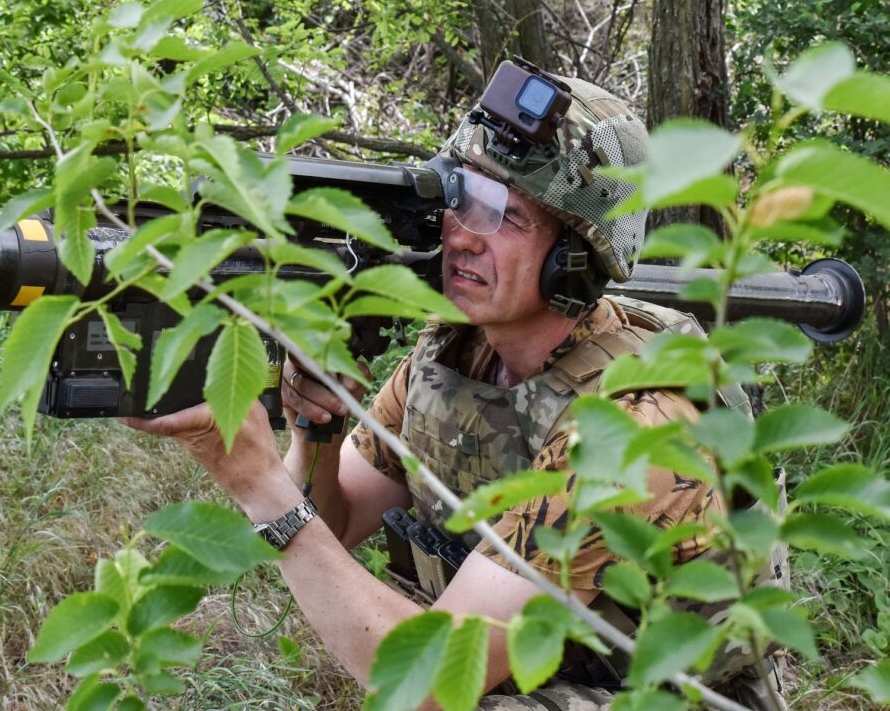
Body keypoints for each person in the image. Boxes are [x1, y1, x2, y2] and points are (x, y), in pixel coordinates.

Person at [124, 64, 785, 710]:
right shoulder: (456, 350)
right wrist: (314, 430)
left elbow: (426, 684)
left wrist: (255, 478)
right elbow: (338, 520)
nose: (462, 236)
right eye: (460, 199)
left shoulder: (637, 429)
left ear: (575, 257)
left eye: (504, 215)